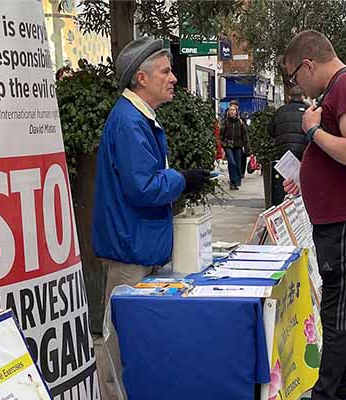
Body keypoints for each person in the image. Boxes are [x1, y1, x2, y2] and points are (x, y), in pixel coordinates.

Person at [92, 37, 210, 399]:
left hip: (139, 246)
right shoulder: (130, 122)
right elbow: (142, 187)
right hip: (131, 250)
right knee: (119, 341)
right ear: (141, 78)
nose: (173, 77)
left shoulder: (137, 118)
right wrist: (182, 179)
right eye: (166, 71)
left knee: (133, 338)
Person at [282, 30, 346, 400]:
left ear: (308, 64)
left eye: (295, 77)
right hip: (345, 219)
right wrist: (306, 174)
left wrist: (312, 131)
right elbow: (343, 154)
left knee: (337, 315)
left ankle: (326, 395)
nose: (298, 86)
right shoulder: (344, 86)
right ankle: (341, 393)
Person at [268, 85, 309, 160]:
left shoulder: (280, 111)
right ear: (303, 97)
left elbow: (271, 130)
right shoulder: (309, 111)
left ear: (289, 97)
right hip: (304, 150)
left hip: (283, 150)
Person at [220, 105, 249, 190]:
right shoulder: (225, 122)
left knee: (237, 164)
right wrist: (222, 146)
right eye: (230, 110)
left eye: (233, 110)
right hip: (228, 145)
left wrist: (247, 149)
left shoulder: (240, 122)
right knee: (231, 163)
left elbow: (245, 136)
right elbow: (221, 135)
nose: (232, 111)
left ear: (236, 112)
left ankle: (236, 182)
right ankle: (233, 181)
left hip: (238, 146)